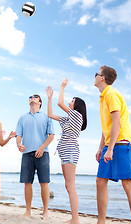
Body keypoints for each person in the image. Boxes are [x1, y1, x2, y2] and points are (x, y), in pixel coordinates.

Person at [94, 66, 131, 224]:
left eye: (97, 74)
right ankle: (101, 222)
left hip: (123, 144)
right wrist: (101, 148)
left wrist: (110, 149)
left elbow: (117, 123)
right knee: (100, 181)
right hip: (111, 144)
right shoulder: (103, 97)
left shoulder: (112, 94)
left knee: (127, 184)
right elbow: (106, 128)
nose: (94, 76)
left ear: (102, 78)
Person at [46, 78, 87, 224]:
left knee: (70, 186)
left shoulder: (77, 115)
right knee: (68, 186)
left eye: (72, 100)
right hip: (65, 152)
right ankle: (74, 218)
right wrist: (49, 98)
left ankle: (75, 219)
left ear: (77, 105)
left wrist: (62, 87)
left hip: (70, 151)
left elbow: (60, 103)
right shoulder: (68, 119)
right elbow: (50, 114)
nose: (70, 102)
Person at [16, 94, 55, 220]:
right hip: (27, 153)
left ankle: (45, 212)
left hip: (43, 153)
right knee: (27, 183)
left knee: (44, 182)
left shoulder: (46, 117)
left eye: (35, 97)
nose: (32, 98)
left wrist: (42, 147)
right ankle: (28, 211)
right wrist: (18, 144)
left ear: (40, 102)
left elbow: (51, 135)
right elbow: (19, 135)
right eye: (30, 97)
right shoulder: (22, 118)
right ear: (29, 102)